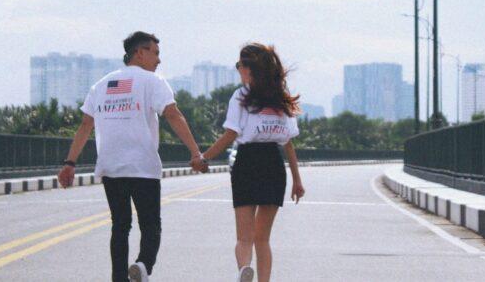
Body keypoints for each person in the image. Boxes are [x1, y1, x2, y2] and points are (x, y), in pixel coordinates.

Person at [57, 31, 208, 282]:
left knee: (120, 225)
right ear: (140, 52)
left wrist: (70, 163)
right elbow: (173, 115)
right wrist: (195, 152)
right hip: (142, 167)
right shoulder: (153, 81)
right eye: (155, 53)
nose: (159, 60)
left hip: (111, 166)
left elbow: (85, 125)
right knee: (150, 225)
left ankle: (118, 278)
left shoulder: (101, 84)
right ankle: (143, 265)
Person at [198, 43, 305, 282]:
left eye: (239, 65)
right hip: (274, 165)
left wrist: (204, 158)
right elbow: (288, 144)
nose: (238, 70)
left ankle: (244, 269)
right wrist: (297, 181)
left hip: (247, 162)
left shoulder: (241, 95)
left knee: (244, 238)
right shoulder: (282, 99)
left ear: (249, 69)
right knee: (263, 239)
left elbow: (230, 134)